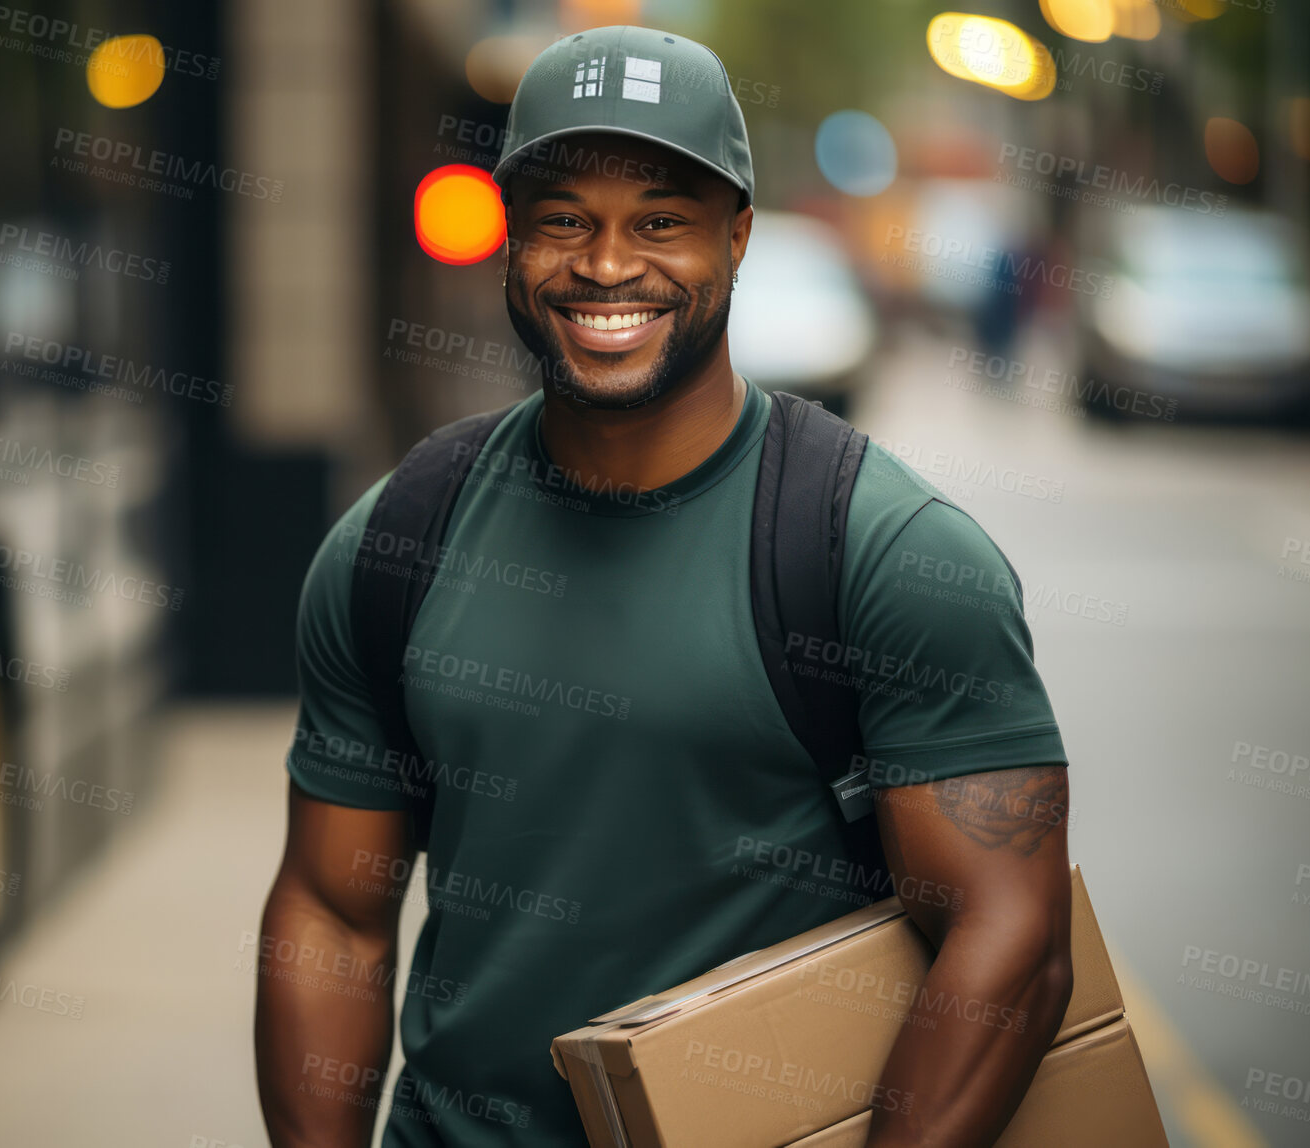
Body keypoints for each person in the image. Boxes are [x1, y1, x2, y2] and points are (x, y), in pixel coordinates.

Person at [256, 25, 1071, 1148]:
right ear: (508, 241)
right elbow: (331, 913)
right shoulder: (396, 541)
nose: (602, 265)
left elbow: (1008, 937)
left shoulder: (881, 555)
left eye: (658, 221)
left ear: (736, 237)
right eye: (560, 220)